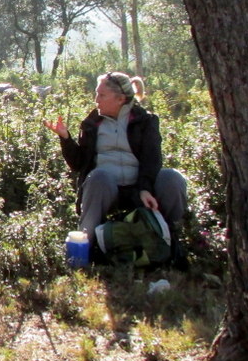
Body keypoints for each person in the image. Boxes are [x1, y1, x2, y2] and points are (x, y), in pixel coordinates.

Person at [45, 72, 188, 256]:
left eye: (101, 95)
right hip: (107, 189)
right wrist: (65, 138)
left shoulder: (145, 121)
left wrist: (144, 188)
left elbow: (151, 159)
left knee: (172, 178)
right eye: (96, 94)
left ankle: (171, 244)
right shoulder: (92, 123)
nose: (96, 100)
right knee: (98, 176)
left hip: (141, 189)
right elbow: (79, 164)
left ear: (120, 99)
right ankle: (85, 249)